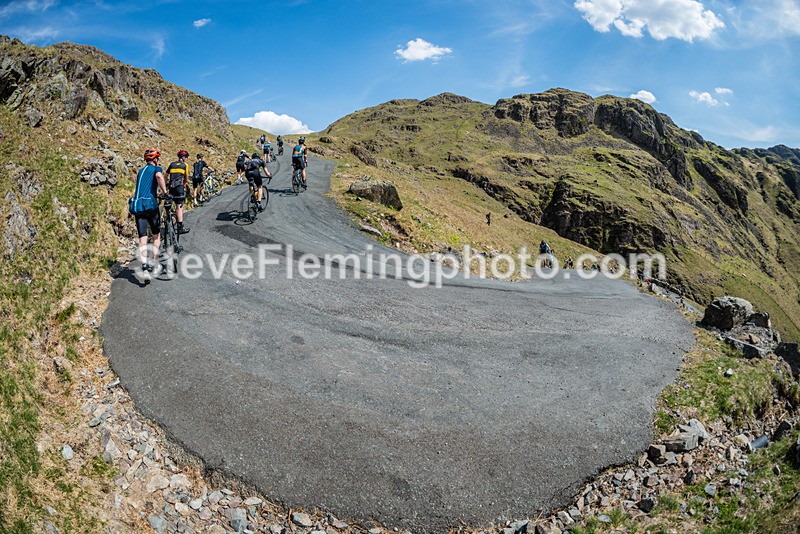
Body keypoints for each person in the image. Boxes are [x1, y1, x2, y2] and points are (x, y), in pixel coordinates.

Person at [133, 148, 169, 277]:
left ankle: (144, 266)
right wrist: (165, 192)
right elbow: (159, 177)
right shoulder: (156, 169)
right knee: (156, 235)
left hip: (138, 206)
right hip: (150, 205)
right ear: (155, 159)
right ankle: (154, 261)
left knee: (142, 238)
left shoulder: (140, 171)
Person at [165, 150, 190, 234]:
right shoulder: (185, 165)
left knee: (168, 204)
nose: (186, 159)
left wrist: (165, 186)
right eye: (186, 157)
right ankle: (180, 227)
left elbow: (165, 176)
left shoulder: (172, 164)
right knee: (179, 207)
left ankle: (168, 224)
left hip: (171, 187)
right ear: (184, 158)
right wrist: (185, 184)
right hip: (179, 187)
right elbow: (186, 178)